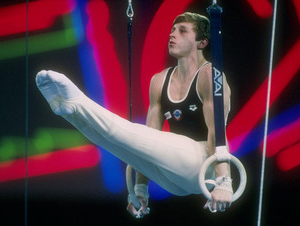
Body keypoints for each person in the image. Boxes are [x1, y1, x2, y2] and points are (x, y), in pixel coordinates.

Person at [35, 12, 232, 218]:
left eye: (182, 31)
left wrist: (223, 182)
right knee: (118, 143)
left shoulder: (210, 76)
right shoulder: (159, 81)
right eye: (173, 29)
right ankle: (70, 112)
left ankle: (78, 103)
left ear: (202, 42)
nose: (173, 34)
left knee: (125, 132)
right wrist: (139, 189)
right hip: (172, 175)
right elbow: (146, 142)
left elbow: (217, 132)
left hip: (203, 165)